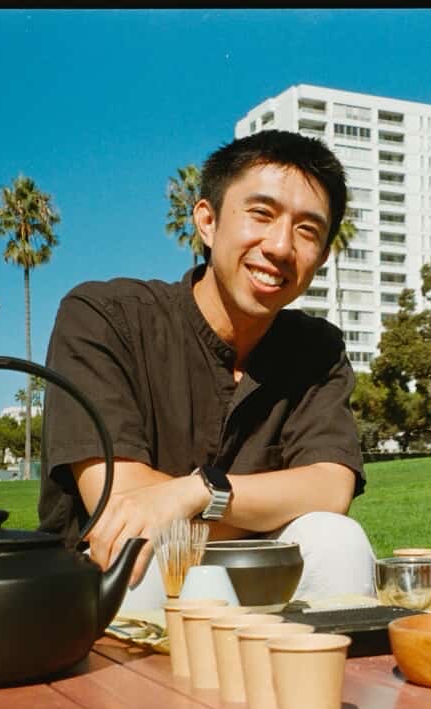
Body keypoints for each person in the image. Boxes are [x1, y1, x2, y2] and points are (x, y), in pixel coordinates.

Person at [38, 129, 376, 610]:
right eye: (261, 214)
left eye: (307, 230)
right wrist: (272, 505)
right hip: (119, 583)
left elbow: (331, 488)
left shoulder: (315, 347)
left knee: (337, 540)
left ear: (320, 256)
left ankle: (312, 680)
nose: (280, 246)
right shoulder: (104, 316)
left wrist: (196, 494)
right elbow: (122, 505)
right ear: (208, 220)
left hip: (257, 582)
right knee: (140, 552)